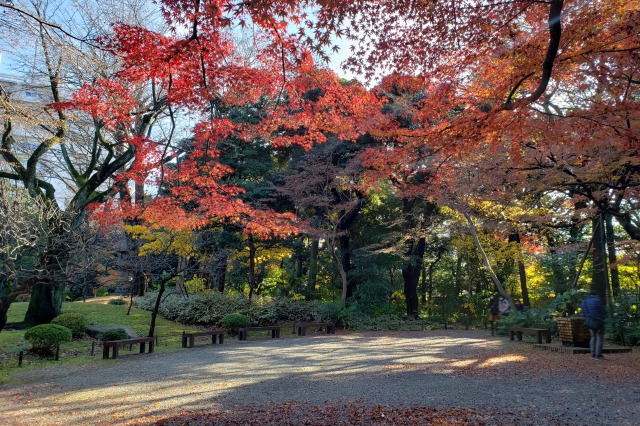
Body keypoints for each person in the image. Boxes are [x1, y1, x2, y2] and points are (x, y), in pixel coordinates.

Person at [580, 290, 607, 360]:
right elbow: (603, 311)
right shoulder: (597, 301)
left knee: (593, 337)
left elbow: (583, 314)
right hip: (598, 322)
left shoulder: (584, 302)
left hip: (589, 322)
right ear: (596, 295)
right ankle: (598, 355)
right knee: (599, 338)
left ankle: (592, 354)